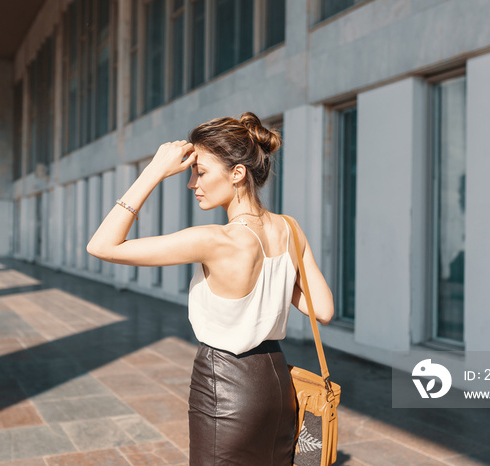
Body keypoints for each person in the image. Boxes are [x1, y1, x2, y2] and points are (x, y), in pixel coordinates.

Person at [87, 112, 334, 465]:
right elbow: (323, 310)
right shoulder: (289, 229)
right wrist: (273, 281)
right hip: (278, 384)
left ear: (237, 173)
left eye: (199, 172)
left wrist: (153, 171)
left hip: (225, 384)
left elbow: (102, 246)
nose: (192, 183)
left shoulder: (214, 240)